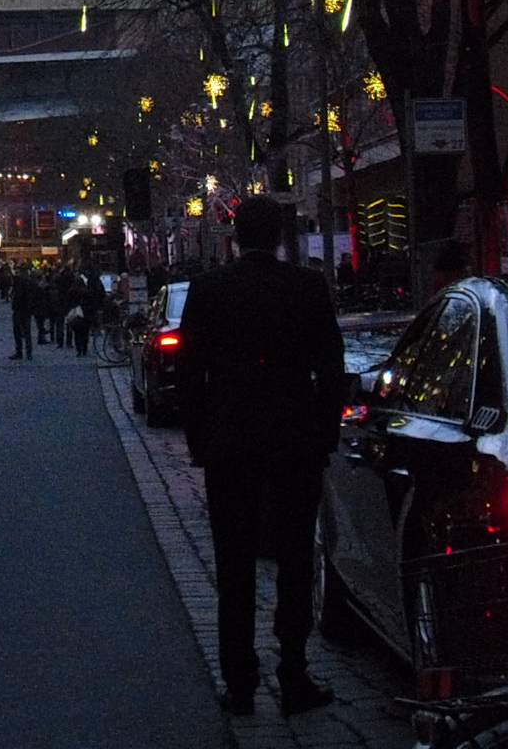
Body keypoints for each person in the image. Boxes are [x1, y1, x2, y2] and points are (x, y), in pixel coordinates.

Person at [176, 198, 343, 719]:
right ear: (277, 237)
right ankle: (292, 673)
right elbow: (331, 369)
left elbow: (189, 375)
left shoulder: (209, 290)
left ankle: (241, 683)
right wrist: (323, 434)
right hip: (294, 443)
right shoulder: (306, 288)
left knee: (235, 567)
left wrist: (201, 440)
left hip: (231, 445)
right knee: (295, 561)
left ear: (234, 234)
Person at [8, 265, 38, 361]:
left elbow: (17, 295)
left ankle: (19, 351)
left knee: (18, 331)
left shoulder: (18, 281)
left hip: (19, 309)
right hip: (27, 309)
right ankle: (29, 352)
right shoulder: (31, 281)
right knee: (27, 331)